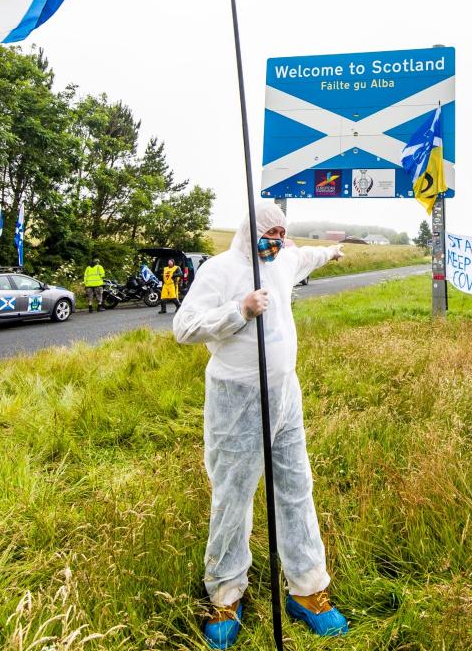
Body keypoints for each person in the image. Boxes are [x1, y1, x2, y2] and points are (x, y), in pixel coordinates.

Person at [173, 202, 349, 649]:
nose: (275, 242)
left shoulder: (282, 260)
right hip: (237, 399)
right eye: (268, 234)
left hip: (286, 394)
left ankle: (307, 589)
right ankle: (226, 594)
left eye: (280, 234)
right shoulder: (220, 270)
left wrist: (332, 252)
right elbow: (185, 326)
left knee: (296, 485)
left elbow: (304, 255)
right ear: (249, 232)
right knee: (233, 494)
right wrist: (240, 311)